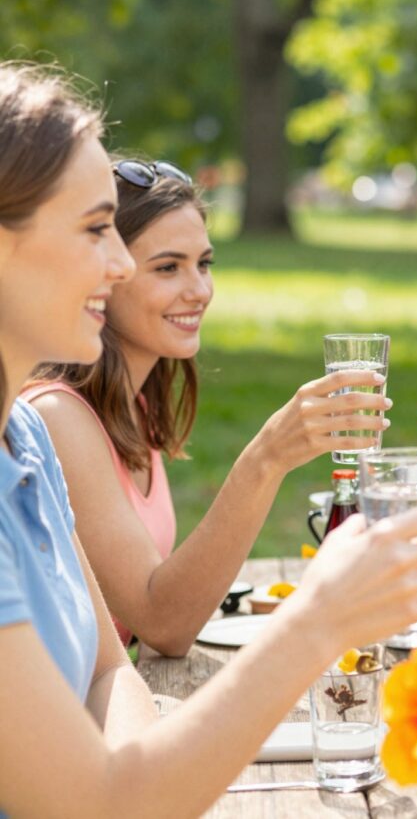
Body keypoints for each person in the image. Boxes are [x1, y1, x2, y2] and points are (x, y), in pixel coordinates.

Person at [0, 61, 417, 816]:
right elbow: (108, 789)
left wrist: (155, 759)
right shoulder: (50, 420)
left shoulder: (24, 443)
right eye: (94, 231)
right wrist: (322, 619)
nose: (116, 265)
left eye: (200, 263)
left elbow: (110, 674)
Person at [24, 164, 392, 656]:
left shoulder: (132, 407)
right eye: (168, 267)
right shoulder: (57, 416)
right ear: (103, 274)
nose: (199, 290)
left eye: (204, 263)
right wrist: (266, 459)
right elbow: (162, 622)